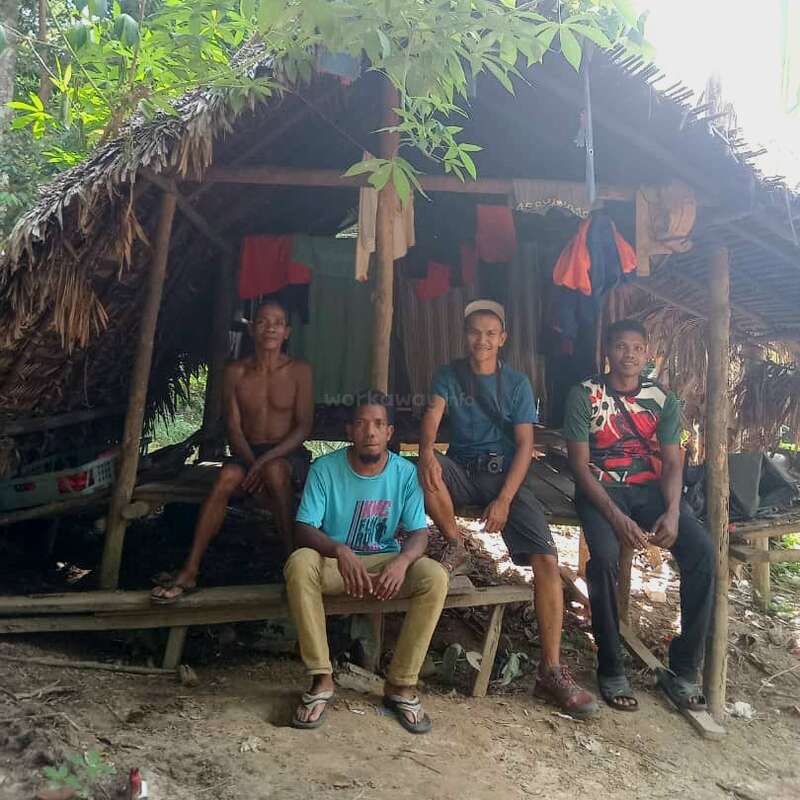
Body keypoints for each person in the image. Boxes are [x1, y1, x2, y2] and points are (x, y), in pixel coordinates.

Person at [418, 299, 597, 719]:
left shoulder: (517, 384)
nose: (481, 339)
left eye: (490, 333)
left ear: (503, 338)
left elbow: (524, 446)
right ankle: (454, 543)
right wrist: (427, 449)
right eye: (474, 332)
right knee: (414, 471)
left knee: (547, 559)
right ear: (465, 336)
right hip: (460, 468)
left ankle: (551, 670)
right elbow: (432, 416)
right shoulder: (448, 374)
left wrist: (504, 499)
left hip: (505, 477)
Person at [564, 318, 714, 712]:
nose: (627, 355)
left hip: (649, 490)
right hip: (600, 490)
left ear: (647, 353)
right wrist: (616, 517)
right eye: (619, 346)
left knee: (702, 553)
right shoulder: (584, 394)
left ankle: (684, 669)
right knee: (605, 562)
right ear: (607, 351)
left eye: (635, 348)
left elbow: (671, 461)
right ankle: (611, 665)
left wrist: (673, 511)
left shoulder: (663, 399)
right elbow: (579, 467)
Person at [285, 390, 448, 733]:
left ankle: (401, 684)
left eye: (378, 424)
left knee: (434, 576)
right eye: (361, 423)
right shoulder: (325, 469)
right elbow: (303, 528)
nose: (369, 432)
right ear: (350, 431)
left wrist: (402, 561)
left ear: (389, 432)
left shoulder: (405, 473)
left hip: (386, 566)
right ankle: (321, 679)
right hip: (339, 567)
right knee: (300, 563)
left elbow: (419, 532)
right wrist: (340, 551)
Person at [152, 300, 314, 603]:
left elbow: (304, 427)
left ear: (287, 332)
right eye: (263, 321)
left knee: (275, 472)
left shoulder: (299, 371)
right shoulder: (235, 372)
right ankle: (190, 569)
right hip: (246, 451)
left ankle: (292, 563)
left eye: (277, 322)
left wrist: (264, 462)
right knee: (226, 476)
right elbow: (234, 428)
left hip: (285, 452)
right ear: (252, 329)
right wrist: (254, 463)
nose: (270, 328)